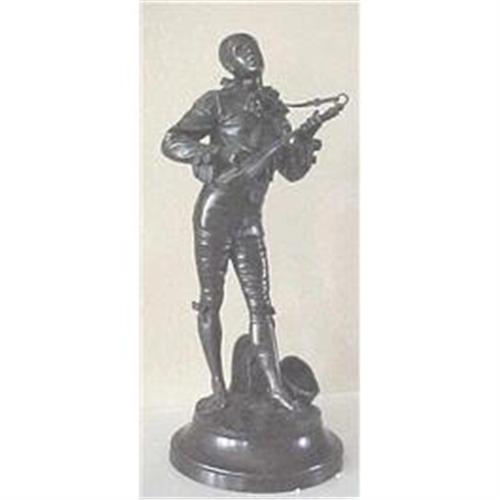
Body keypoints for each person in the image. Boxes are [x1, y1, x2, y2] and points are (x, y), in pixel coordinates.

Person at [161, 33, 321, 413]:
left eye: (252, 47)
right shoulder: (216, 102)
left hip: (250, 219)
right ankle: (218, 386)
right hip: (215, 213)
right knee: (210, 301)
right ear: (229, 63)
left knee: (261, 305)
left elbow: (291, 170)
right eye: (239, 50)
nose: (249, 54)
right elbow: (172, 140)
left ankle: (276, 389)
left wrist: (305, 140)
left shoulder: (275, 111)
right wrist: (214, 152)